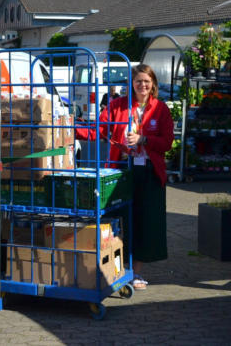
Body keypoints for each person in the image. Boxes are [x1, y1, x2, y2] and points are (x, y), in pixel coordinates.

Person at [75, 63, 173, 291]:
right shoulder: (117, 106)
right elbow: (97, 129)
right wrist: (67, 128)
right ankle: (116, 270)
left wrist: (144, 140)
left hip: (148, 172)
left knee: (144, 223)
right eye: (138, 81)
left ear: (153, 85)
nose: (142, 85)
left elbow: (167, 143)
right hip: (121, 170)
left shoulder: (160, 109)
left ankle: (135, 273)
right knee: (119, 221)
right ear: (131, 84)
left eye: (147, 82)